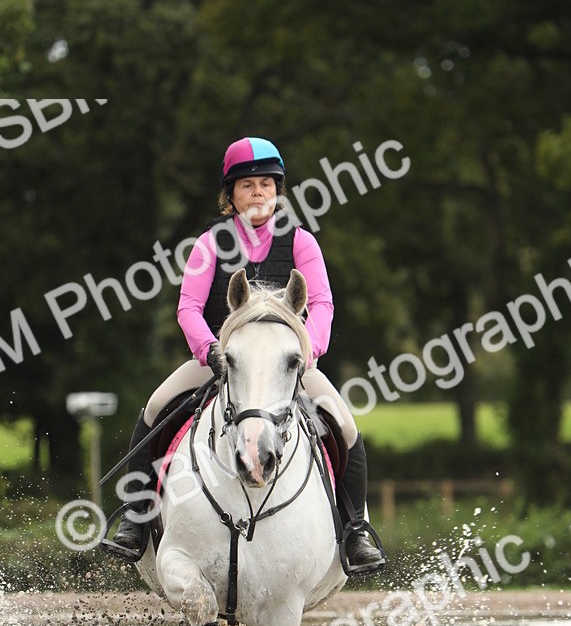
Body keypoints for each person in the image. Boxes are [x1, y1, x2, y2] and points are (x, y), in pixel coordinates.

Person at [104, 136, 384, 574]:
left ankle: (354, 532)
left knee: (345, 426)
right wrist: (210, 351)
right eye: (248, 184)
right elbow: (189, 309)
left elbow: (324, 304)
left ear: (278, 191)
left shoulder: (301, 243)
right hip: (222, 363)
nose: (258, 192)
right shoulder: (209, 245)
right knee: (155, 408)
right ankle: (135, 521)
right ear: (230, 195)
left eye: (267, 184)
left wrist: (308, 349)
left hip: (286, 365)